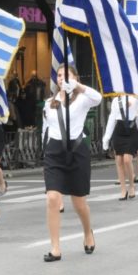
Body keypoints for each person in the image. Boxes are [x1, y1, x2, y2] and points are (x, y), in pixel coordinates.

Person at [42, 65, 101, 261]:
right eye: (59, 75)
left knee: (79, 202)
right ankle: (55, 248)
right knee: (52, 198)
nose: (61, 78)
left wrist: (78, 86)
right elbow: (47, 129)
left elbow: (98, 98)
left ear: (75, 78)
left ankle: (87, 232)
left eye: (66, 75)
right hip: (55, 152)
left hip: (76, 152)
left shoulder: (83, 99)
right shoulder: (50, 102)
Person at [103, 94, 138, 200]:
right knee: (119, 160)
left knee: (127, 160)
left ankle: (132, 186)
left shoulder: (135, 98)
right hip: (119, 131)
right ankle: (123, 190)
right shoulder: (116, 100)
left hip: (131, 130)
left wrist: (134, 105)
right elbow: (112, 119)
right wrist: (106, 138)